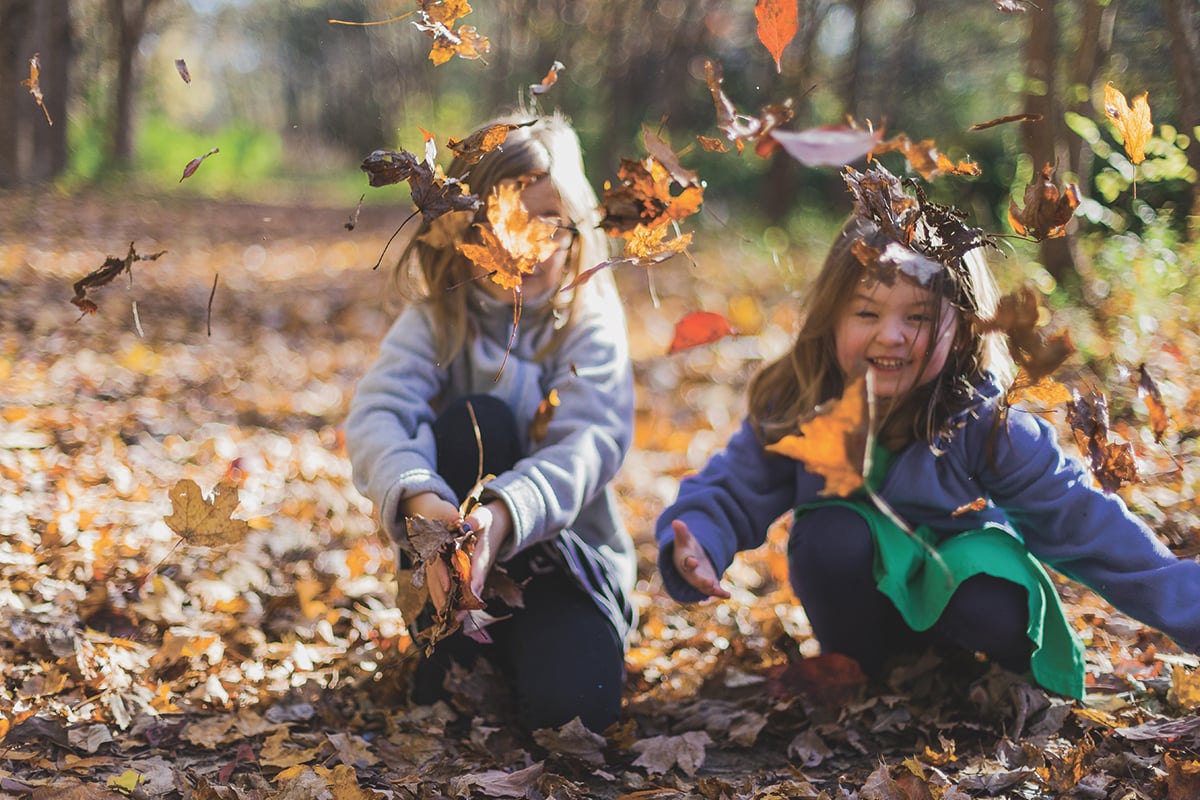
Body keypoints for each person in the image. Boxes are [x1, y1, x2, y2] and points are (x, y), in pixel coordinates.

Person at [655, 165, 1200, 699]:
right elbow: (733, 486)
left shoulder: (989, 424)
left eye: (917, 318)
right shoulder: (802, 403)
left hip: (972, 606)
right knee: (831, 534)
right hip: (864, 616)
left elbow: (1090, 527)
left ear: (962, 329)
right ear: (832, 316)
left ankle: (977, 677)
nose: (890, 335)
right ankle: (867, 671)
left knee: (984, 586)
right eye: (866, 313)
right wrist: (700, 539)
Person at [345, 112, 635, 732]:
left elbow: (589, 442)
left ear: (575, 228)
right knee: (477, 419)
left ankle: (544, 651)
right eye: (501, 219)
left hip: (564, 566)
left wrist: (502, 516)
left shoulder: (587, 323)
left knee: (576, 717)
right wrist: (422, 497)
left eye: (546, 222)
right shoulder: (437, 321)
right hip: (450, 567)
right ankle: (452, 645)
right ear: (461, 228)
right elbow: (379, 413)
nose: (524, 244)